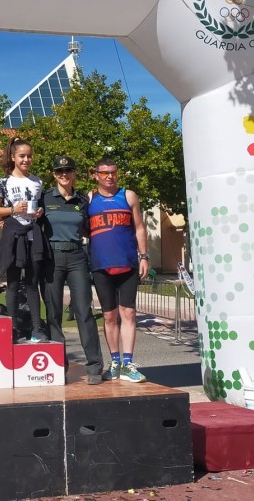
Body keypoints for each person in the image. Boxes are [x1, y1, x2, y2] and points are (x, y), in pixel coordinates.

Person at [42, 154, 104, 384]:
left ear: (74, 173)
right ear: (54, 174)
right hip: (52, 258)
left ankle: (95, 367)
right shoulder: (45, 197)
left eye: (68, 170)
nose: (64, 175)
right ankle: (59, 366)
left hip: (78, 257)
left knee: (84, 311)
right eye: (60, 171)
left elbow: (90, 228)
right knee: (54, 313)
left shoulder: (82, 200)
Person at [88, 157, 148, 383]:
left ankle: (128, 363)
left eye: (113, 172)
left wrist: (144, 256)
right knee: (109, 315)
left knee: (129, 313)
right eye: (104, 173)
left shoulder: (128, 196)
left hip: (128, 263)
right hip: (101, 265)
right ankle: (114, 362)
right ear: (96, 175)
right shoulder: (90, 199)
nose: (109, 176)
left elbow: (140, 227)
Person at [0, 138, 46, 342]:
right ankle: (12, 328)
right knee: (12, 283)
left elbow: (40, 207)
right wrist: (13, 210)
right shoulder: (4, 182)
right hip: (13, 235)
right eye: (22, 156)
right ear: (13, 157)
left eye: (29, 156)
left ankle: (37, 328)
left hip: (32, 236)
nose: (26, 160)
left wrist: (39, 211)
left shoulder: (38, 181)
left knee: (32, 283)